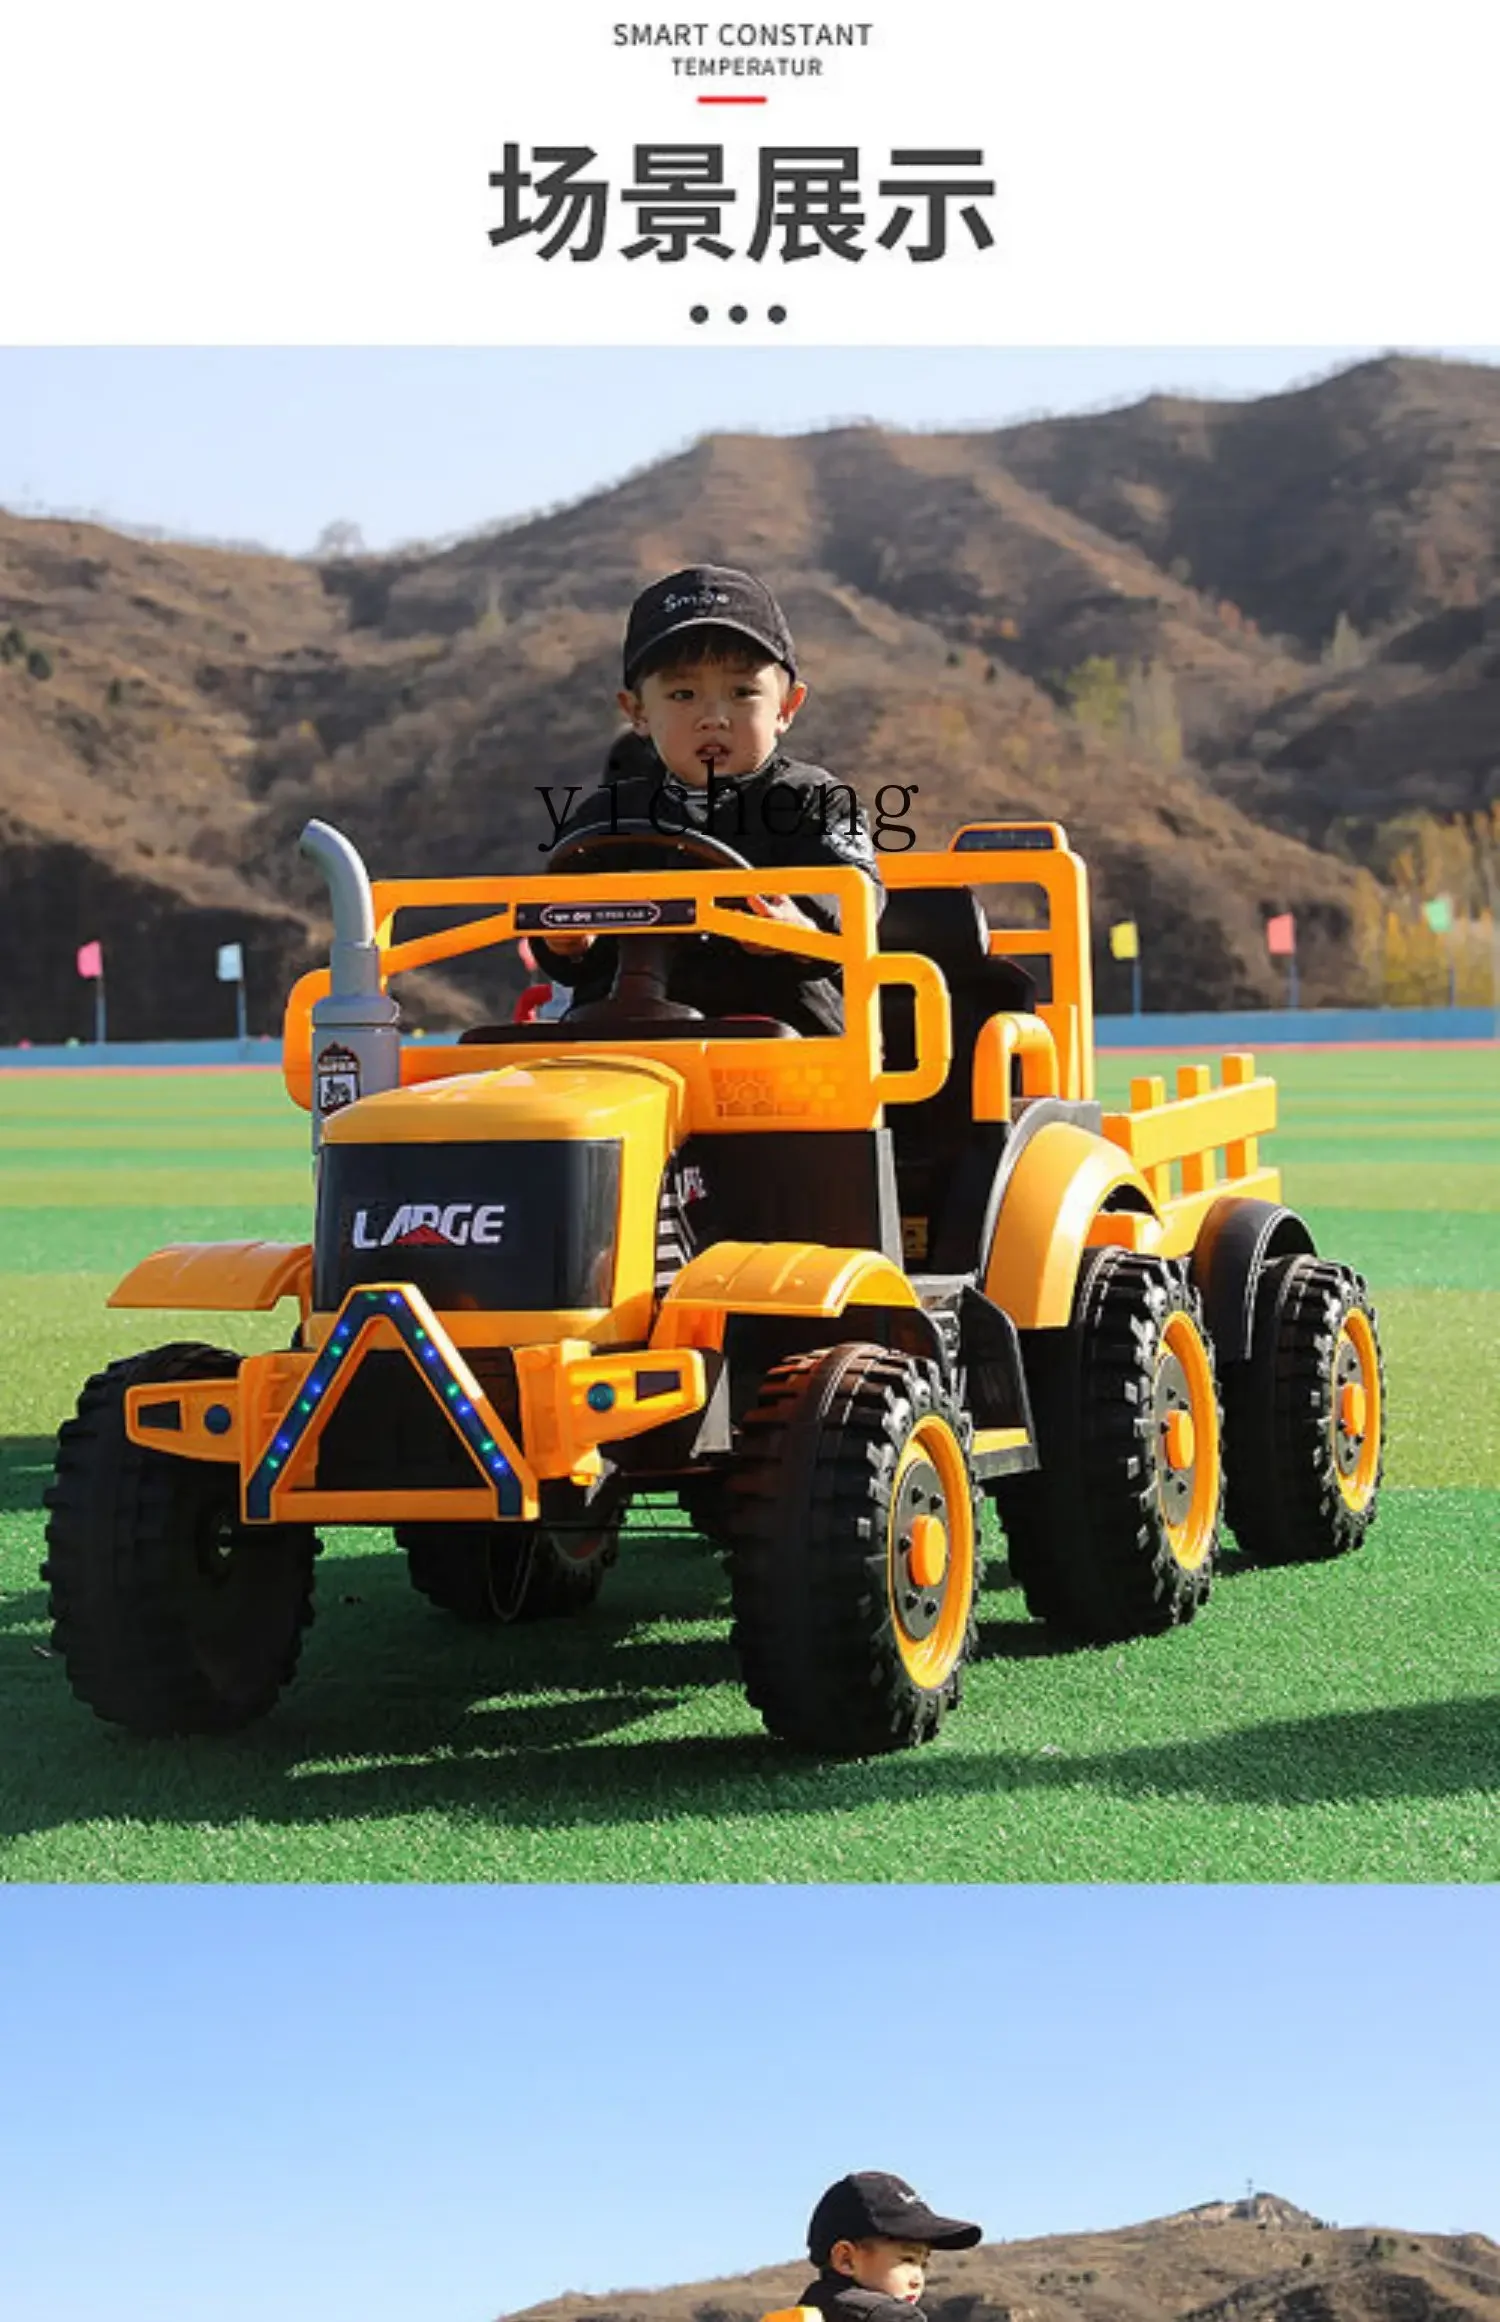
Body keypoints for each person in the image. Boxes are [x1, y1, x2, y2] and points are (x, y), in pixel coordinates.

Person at [530, 564, 883, 1036]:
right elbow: (560, 917)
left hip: (785, 1043)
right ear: (637, 713)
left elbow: (854, 888)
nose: (713, 717)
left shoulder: (817, 800)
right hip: (623, 1038)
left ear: (786, 708)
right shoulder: (609, 815)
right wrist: (566, 942)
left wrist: (803, 924)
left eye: (741, 693)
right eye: (683, 694)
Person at [796, 2171, 984, 2322]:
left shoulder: (808, 2312)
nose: (918, 2280)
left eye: (923, 2265)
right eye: (908, 2260)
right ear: (846, 2259)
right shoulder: (893, 2316)